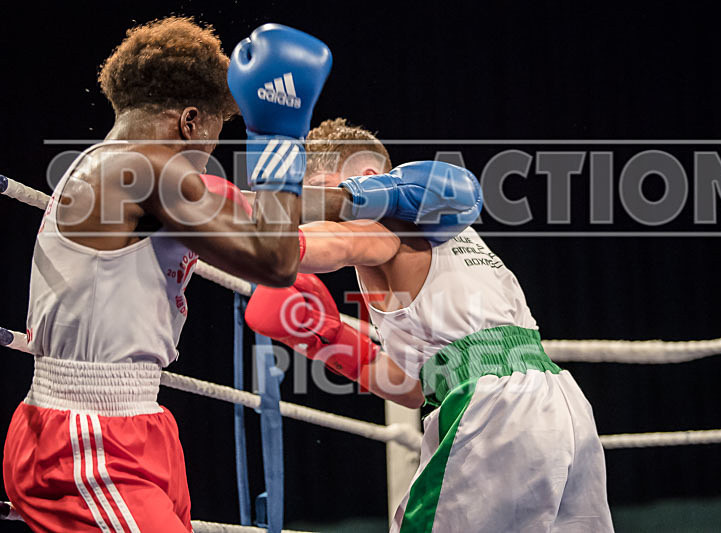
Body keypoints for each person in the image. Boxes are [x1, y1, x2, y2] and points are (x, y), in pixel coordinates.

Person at [2, 18, 333, 532]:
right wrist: (280, 136)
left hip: (134, 420)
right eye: (213, 142)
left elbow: (266, 218)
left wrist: (376, 199)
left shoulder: (118, 170)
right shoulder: (144, 171)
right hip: (84, 435)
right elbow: (275, 259)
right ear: (190, 122)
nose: (209, 160)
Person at [245, 118, 615, 532]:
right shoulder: (455, 233)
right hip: (561, 404)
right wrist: (326, 335)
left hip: (492, 412)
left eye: (320, 193)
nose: (314, 211)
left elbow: (298, 248)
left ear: (368, 178)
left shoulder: (380, 226)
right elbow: (415, 388)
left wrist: (235, 213)